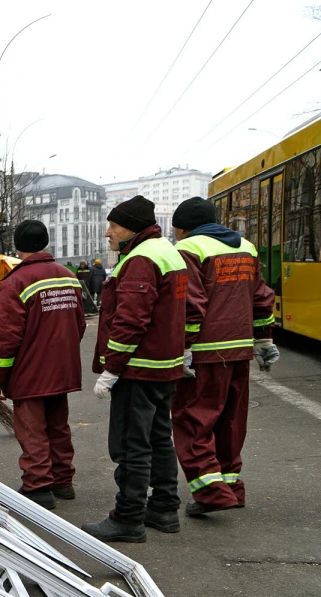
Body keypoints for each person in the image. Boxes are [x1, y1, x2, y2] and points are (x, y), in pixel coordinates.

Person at [83, 196, 188, 543]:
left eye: (114, 225)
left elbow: (130, 320)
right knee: (159, 437)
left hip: (138, 370)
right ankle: (163, 508)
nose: (107, 233)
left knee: (131, 443)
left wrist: (112, 368)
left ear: (133, 227)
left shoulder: (141, 260)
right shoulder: (167, 252)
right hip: (164, 367)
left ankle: (127, 517)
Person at [171, 197, 279, 516]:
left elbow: (192, 304)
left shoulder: (189, 249)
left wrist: (185, 347)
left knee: (193, 420)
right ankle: (232, 487)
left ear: (181, 227)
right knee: (230, 420)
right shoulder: (245, 247)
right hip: (240, 349)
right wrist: (264, 339)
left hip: (206, 351)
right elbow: (261, 298)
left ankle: (211, 493)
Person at [0, 221, 86, 509]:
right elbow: (78, 324)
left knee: (32, 429)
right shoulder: (68, 277)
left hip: (30, 372)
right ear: (45, 242)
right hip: (62, 369)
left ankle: (38, 485)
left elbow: (5, 338)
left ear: (17, 246)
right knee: (58, 425)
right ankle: (63, 480)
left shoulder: (16, 282)